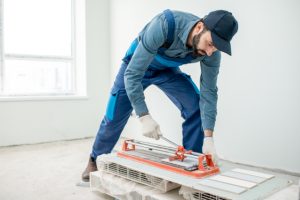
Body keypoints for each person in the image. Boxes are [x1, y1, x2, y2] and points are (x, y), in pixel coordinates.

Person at [82, 9, 238, 182]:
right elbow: (132, 74)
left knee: (196, 106)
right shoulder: (165, 24)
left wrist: (208, 138)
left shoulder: (211, 53)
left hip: (166, 71)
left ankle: (192, 164)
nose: (210, 52)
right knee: (114, 115)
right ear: (199, 27)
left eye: (215, 47)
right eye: (210, 44)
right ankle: (95, 159)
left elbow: (209, 92)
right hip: (135, 67)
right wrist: (144, 116)